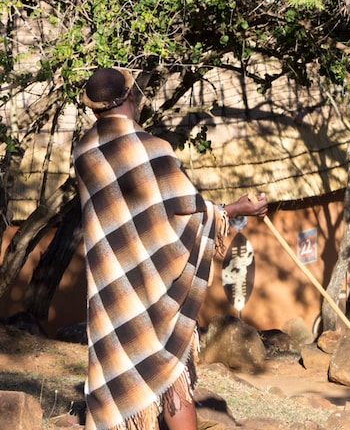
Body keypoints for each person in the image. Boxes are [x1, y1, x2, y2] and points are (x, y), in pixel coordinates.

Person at [72, 67, 268, 430]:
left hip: (112, 285)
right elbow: (188, 212)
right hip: (156, 281)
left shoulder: (83, 152)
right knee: (174, 371)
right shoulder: (152, 149)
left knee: (126, 361)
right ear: (132, 98)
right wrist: (237, 209)